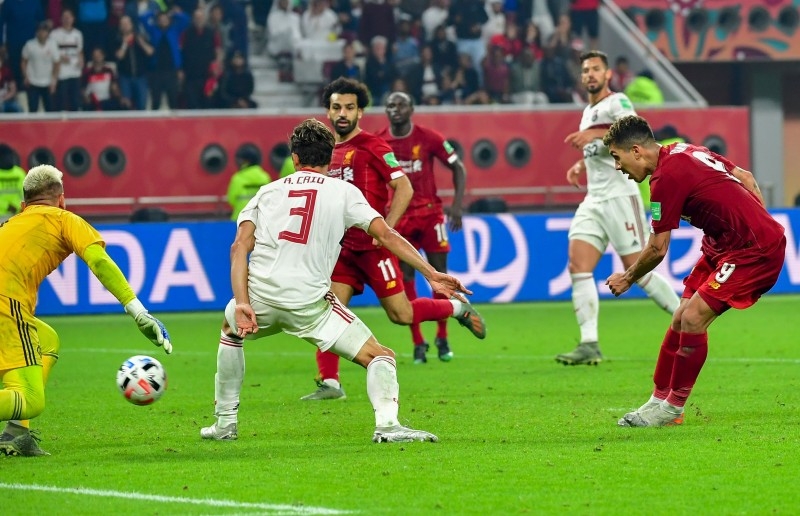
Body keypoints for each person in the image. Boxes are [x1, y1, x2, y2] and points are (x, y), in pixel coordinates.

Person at [199, 118, 474, 443]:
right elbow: (386, 235)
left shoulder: (267, 192)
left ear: (295, 158)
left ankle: (225, 423)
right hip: (310, 305)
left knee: (230, 331)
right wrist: (431, 273)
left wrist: (242, 302)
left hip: (261, 300)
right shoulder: (344, 192)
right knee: (380, 356)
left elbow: (238, 247)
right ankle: (388, 426)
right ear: (330, 159)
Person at [302, 77, 485, 400]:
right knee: (328, 309)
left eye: (349, 107)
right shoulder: (326, 151)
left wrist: (386, 227)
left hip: (373, 248)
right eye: (336, 107)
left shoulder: (374, 145)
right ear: (328, 112)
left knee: (401, 314)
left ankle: (457, 310)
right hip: (342, 251)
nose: (342, 113)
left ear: (360, 112)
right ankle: (330, 383)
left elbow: (405, 187)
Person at [604, 115, 786, 427]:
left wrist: (627, 277)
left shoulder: (663, 180)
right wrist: (758, 217)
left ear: (635, 151)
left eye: (616, 158)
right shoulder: (681, 151)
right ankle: (658, 400)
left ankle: (673, 408)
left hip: (751, 250)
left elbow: (658, 248)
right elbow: (745, 175)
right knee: (680, 316)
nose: (618, 167)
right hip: (722, 244)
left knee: (692, 317)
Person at [0, 164, 172, 457]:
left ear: (23, 204)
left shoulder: (10, 224)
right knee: (32, 399)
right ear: (62, 200)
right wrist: (139, 312)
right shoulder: (65, 219)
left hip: (10, 308)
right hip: (7, 306)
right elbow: (100, 262)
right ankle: (18, 427)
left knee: (48, 340)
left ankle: (15, 434)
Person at [556, 50, 679, 366]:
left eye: (596, 69)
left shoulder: (617, 102)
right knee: (577, 266)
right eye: (585, 70)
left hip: (620, 197)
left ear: (608, 74)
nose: (590, 75)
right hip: (594, 199)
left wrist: (592, 136)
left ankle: (685, 319)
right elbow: (603, 148)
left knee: (639, 270)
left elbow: (629, 130)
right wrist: (580, 165)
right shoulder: (588, 111)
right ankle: (589, 343)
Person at [375, 91, 467, 364]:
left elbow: (458, 167)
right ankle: (418, 342)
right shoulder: (379, 141)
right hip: (399, 218)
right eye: (391, 104)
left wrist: (458, 205)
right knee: (406, 280)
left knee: (439, 276)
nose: (396, 109)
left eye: (402, 104)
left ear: (412, 108)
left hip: (430, 214)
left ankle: (442, 336)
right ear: (386, 110)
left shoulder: (430, 137)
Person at [226, 145, 271, 220]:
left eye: (241, 160)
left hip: (240, 218)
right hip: (261, 218)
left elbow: (231, 199)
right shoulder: (265, 177)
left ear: (247, 161)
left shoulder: (238, 178)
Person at [0, 144, 25, 223]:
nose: (8, 158)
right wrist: (8, 206)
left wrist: (19, 207)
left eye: (10, 155)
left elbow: (25, 194)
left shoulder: (20, 173)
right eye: (4, 156)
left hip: (17, 215)